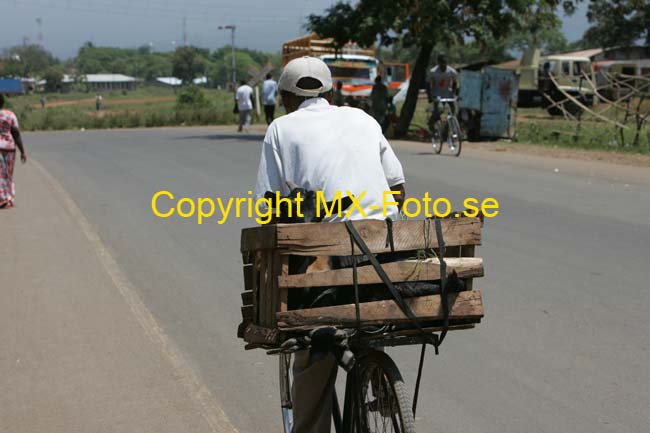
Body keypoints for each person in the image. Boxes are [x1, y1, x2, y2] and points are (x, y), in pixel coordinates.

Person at [253, 56, 406, 433]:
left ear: (286, 97)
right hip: (385, 255)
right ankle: (377, 375)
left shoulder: (280, 128)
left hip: (332, 257)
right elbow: (398, 189)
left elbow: (269, 208)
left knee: (312, 352)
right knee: (371, 303)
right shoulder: (363, 118)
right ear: (332, 91)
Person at [0, 94, 27, 209]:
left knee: (0, 174)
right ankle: (9, 198)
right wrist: (23, 151)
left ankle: (3, 199)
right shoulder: (10, 115)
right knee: (8, 174)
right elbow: (16, 134)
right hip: (9, 148)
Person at [427, 54, 458, 120]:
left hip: (447, 92)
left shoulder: (451, 71)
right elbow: (428, 84)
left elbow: (454, 82)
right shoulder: (433, 71)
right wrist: (430, 96)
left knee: (453, 109)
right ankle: (433, 120)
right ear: (438, 62)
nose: (443, 65)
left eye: (445, 62)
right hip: (437, 93)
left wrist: (453, 92)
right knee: (438, 111)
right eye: (442, 63)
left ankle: (450, 124)